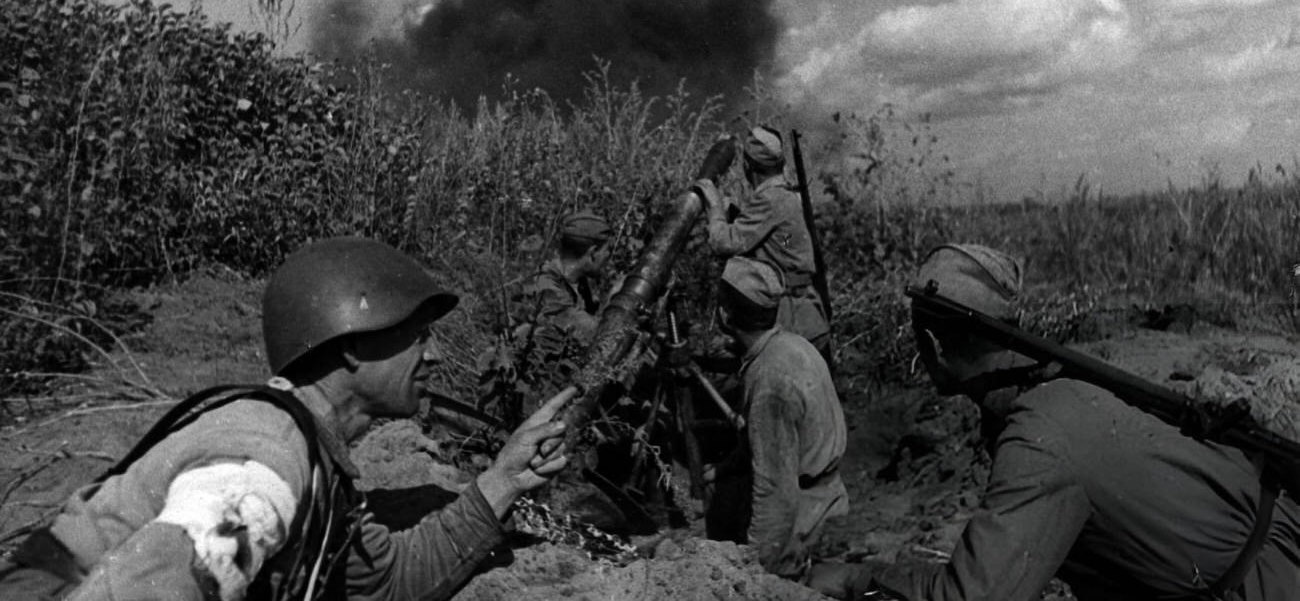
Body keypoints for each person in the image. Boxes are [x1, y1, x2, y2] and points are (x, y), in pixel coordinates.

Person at [0, 237, 577, 601]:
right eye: (418, 335)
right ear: (352, 346)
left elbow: (385, 583)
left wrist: (506, 479)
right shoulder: (266, 463)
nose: (437, 355)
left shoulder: (314, 460)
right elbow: (155, 586)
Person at [812, 243, 1300, 600]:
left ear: (934, 347)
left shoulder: (1041, 439)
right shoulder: (1064, 391)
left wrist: (861, 579)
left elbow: (974, 598)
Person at [705, 256, 848, 582]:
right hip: (827, 497)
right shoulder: (793, 345)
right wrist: (724, 468)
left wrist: (754, 570)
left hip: (804, 519)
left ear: (726, 315)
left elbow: (776, 492)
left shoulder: (770, 381)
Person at [693, 126, 831, 363]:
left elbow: (723, 244)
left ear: (748, 166)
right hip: (809, 316)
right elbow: (781, 238)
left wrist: (714, 207)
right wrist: (735, 214)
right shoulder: (785, 194)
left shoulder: (770, 199)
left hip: (790, 322)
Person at [518, 209, 613, 355]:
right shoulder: (545, 284)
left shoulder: (579, 284)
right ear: (593, 253)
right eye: (608, 250)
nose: (608, 257)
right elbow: (596, 334)